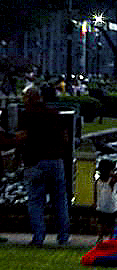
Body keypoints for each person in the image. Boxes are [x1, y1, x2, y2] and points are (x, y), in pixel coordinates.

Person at [16, 88, 71, 246]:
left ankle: (39, 236)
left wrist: (17, 156)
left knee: (35, 201)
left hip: (35, 161)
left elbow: (22, 137)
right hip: (56, 161)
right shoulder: (54, 114)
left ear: (29, 99)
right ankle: (63, 236)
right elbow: (66, 138)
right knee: (60, 200)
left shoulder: (27, 115)